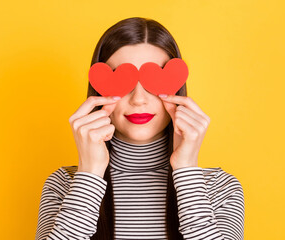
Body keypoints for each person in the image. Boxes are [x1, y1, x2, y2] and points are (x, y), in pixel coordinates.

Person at [35, 17, 245, 240]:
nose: (138, 99)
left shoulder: (219, 188)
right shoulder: (65, 185)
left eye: (153, 81)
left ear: (177, 87)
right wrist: (90, 172)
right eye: (121, 81)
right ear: (98, 92)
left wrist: (185, 169)